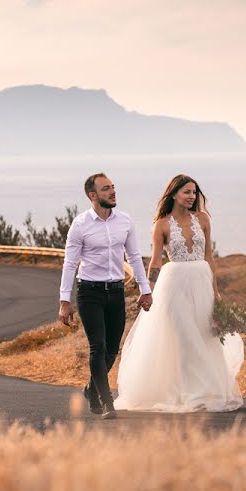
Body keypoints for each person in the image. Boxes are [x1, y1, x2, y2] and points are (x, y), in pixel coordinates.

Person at [113, 174, 243, 413]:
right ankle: (188, 394)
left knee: (204, 336)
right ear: (174, 194)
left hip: (202, 282)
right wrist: (146, 290)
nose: (192, 196)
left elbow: (209, 257)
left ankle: (206, 390)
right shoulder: (161, 224)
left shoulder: (203, 219)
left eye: (194, 192)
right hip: (174, 285)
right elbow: (155, 263)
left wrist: (216, 293)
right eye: (187, 192)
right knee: (184, 338)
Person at [59, 173, 153, 419]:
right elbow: (70, 264)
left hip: (116, 292)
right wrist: (64, 301)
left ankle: (91, 390)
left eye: (113, 187)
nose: (113, 192)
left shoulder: (125, 221)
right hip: (89, 293)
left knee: (112, 349)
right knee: (97, 347)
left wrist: (146, 289)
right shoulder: (80, 225)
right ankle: (107, 402)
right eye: (106, 189)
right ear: (93, 195)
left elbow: (134, 258)